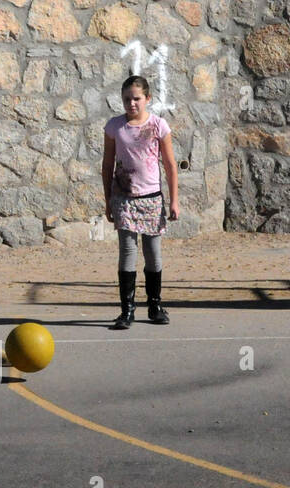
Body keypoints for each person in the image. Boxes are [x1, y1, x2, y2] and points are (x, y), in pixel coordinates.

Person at [102, 75, 180, 329]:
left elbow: (169, 165)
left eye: (136, 98)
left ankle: (155, 306)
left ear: (147, 99)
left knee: (152, 254)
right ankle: (127, 310)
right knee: (127, 251)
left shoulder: (158, 125)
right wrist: (107, 199)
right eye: (127, 99)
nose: (131, 104)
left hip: (151, 198)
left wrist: (174, 201)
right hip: (124, 197)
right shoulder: (114, 127)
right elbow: (107, 164)